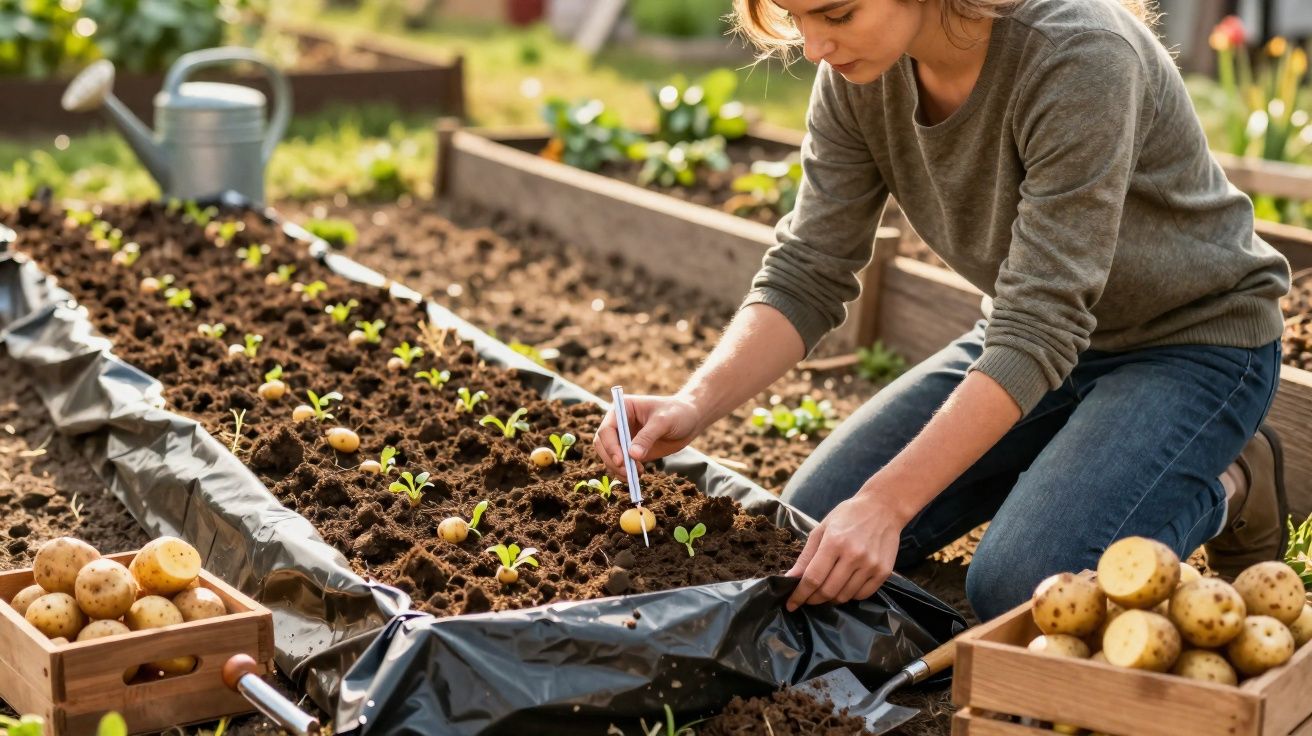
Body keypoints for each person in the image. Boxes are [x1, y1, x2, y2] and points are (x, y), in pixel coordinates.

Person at [594, 0, 1292, 622]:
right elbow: (808, 269)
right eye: (795, 15)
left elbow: (1042, 320)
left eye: (835, 14)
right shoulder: (859, 78)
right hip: (1033, 347)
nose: (813, 47)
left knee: (1024, 588)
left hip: (1191, 344)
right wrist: (694, 404)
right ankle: (1082, 457)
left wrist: (889, 503)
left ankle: (1236, 480)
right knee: (810, 528)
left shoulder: (1079, 54)